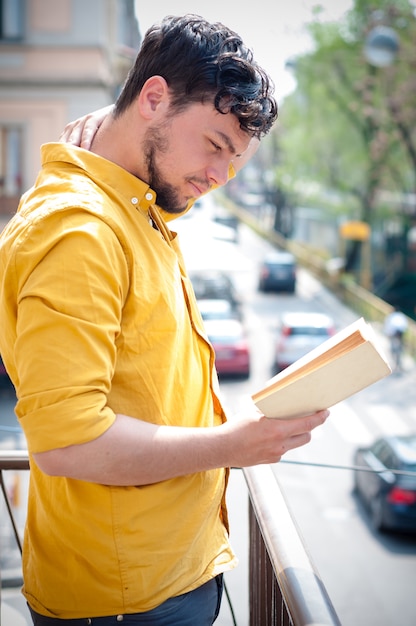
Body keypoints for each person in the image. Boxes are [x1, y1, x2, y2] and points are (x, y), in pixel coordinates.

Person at [0, 14, 329, 625]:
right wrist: (235, 444)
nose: (220, 177)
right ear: (153, 97)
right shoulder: (80, 229)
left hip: (157, 580)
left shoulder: (123, 201)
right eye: (215, 146)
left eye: (236, 163)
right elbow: (70, 443)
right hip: (129, 602)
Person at [384, 306, 408, 371]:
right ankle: (399, 365)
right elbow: (405, 326)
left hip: (394, 335)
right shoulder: (402, 316)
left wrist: (388, 335)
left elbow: (388, 326)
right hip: (400, 334)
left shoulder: (391, 316)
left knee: (393, 350)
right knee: (399, 350)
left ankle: (396, 365)